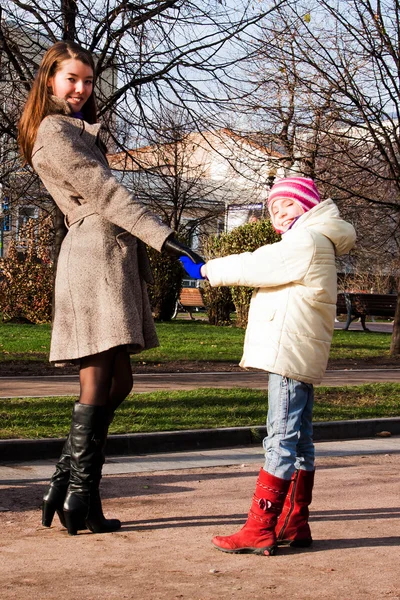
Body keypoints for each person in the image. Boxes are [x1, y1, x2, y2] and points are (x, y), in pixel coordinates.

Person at [18, 41, 202, 536]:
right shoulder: (54, 132)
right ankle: (81, 498)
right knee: (99, 377)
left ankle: (67, 483)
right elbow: (106, 194)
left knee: (118, 382)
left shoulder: (73, 131)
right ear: (49, 80)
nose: (80, 89)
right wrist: (170, 242)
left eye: (88, 80)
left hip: (106, 253)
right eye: (70, 79)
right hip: (94, 255)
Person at [200, 176, 356, 556]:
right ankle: (293, 523)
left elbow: (258, 264)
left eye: (286, 203)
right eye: (272, 208)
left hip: (290, 352)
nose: (279, 212)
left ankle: (259, 528)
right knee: (300, 440)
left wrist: (209, 270)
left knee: (280, 438)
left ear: (307, 203)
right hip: (298, 350)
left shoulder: (306, 240)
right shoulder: (316, 240)